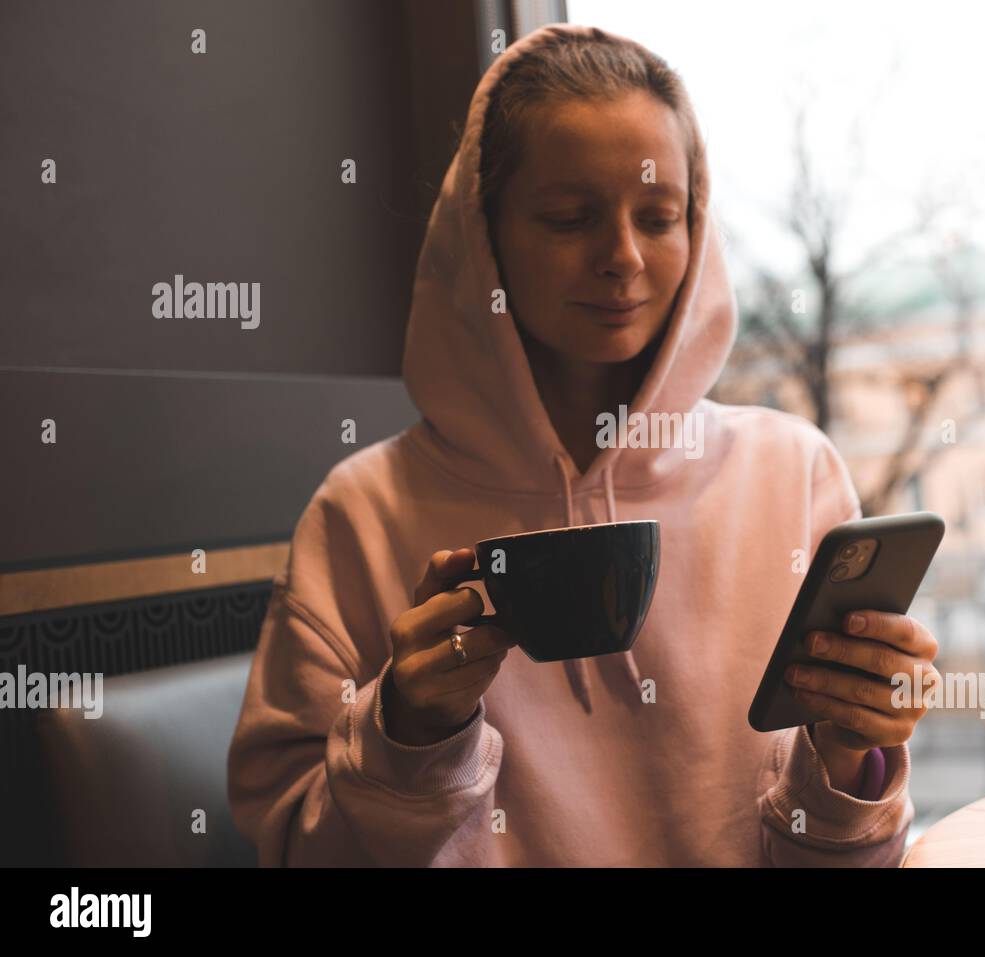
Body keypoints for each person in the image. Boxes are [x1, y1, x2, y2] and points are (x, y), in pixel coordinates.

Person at [227, 22, 939, 867]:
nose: (624, 257)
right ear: (482, 233)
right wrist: (408, 734)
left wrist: (852, 758)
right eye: (570, 218)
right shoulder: (365, 513)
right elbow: (290, 850)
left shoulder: (791, 474)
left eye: (660, 216)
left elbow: (845, 859)